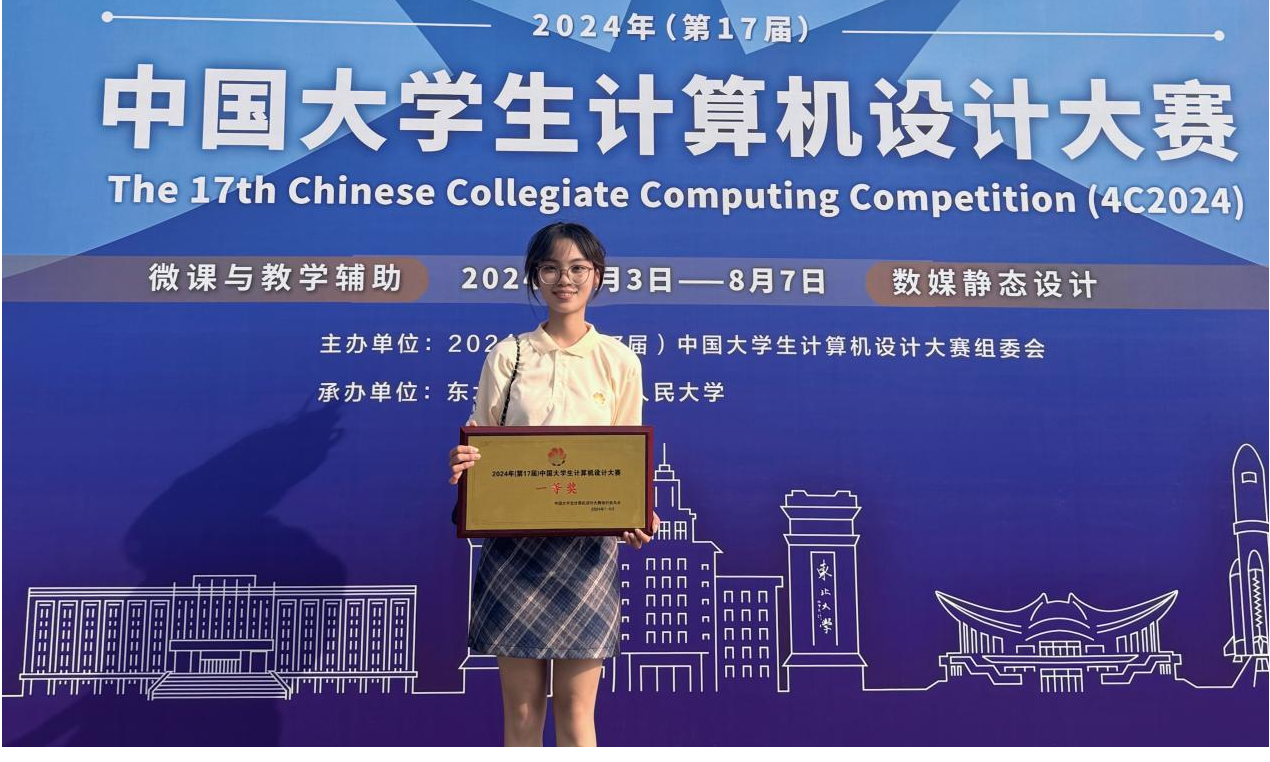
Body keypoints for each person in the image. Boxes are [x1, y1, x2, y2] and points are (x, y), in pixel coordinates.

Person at [448, 221, 659, 746]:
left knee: (576, 709)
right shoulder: (509, 355)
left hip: (587, 551)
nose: (565, 280)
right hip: (514, 547)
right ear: (534, 277)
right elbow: (484, 438)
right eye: (551, 268)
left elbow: (628, 457)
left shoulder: (618, 360)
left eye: (578, 268)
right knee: (521, 710)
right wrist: (466, 462)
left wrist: (637, 510)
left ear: (597, 276)